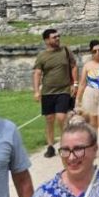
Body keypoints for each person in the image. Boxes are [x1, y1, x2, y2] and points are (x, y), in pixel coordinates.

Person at [31, 28, 77, 159]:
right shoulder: (42, 56)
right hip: (48, 92)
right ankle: (50, 146)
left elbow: (73, 66)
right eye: (54, 37)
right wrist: (36, 91)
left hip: (63, 90)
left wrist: (75, 83)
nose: (57, 39)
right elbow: (37, 73)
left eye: (58, 36)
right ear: (46, 40)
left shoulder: (66, 51)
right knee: (49, 119)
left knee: (62, 118)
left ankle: (65, 144)